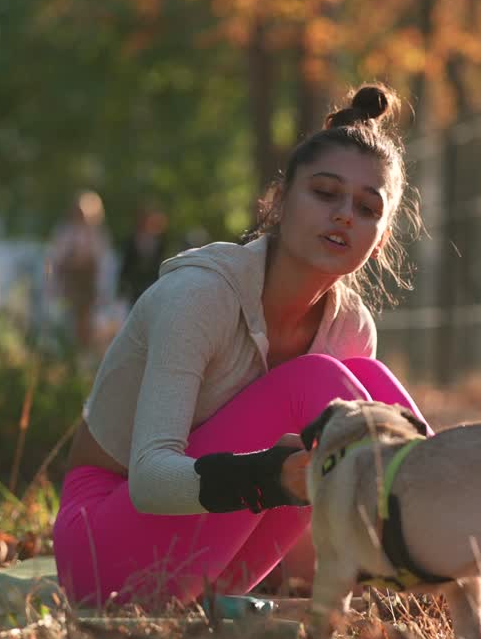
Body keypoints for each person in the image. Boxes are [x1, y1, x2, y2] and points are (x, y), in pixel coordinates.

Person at [53, 83, 431, 608]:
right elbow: (150, 480)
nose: (345, 214)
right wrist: (274, 478)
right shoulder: (200, 297)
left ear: (383, 237)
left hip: (219, 565)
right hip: (101, 553)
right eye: (325, 193)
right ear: (278, 202)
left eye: (367, 208)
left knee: (364, 385)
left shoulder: (350, 328)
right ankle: (467, 569)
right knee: (321, 385)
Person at [47, 191, 112, 352]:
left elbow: (104, 266)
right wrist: (52, 283)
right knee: (67, 320)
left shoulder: (99, 235)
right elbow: (54, 259)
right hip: (69, 283)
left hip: (89, 286)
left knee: (88, 321)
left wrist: (102, 289)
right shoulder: (65, 232)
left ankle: (84, 352)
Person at [118, 205, 170, 309]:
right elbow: (126, 264)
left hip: (153, 284)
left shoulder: (161, 241)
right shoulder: (131, 240)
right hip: (134, 285)